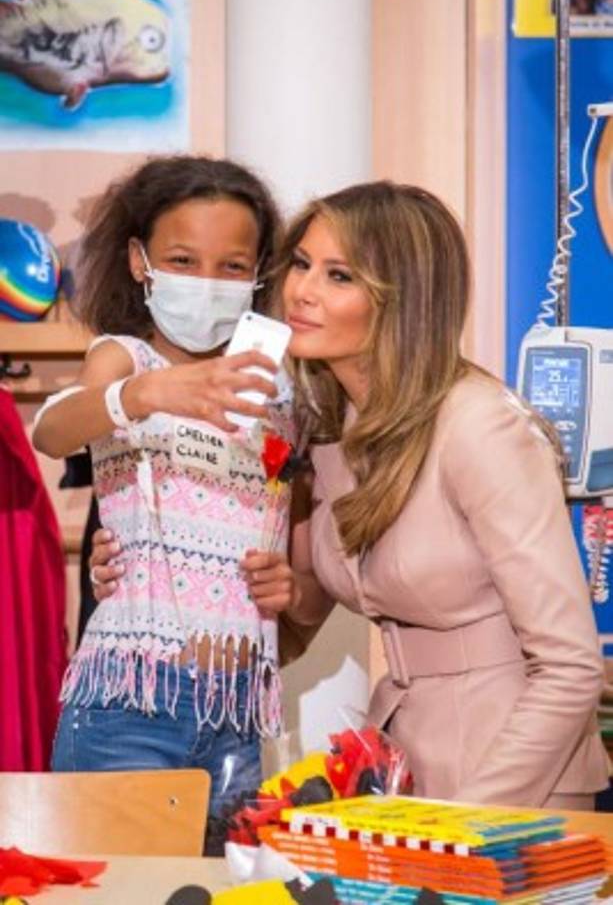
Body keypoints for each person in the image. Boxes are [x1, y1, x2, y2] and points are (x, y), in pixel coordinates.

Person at [91, 180, 611, 811]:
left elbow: (571, 668)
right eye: (301, 264)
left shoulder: (481, 426)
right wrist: (150, 572)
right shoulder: (331, 435)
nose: (301, 291)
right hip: (402, 765)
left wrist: (470, 818)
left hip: (517, 779)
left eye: (338, 276)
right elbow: (290, 621)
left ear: (404, 298)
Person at [32, 154, 297, 851]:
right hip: (129, 704)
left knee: (226, 894)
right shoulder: (125, 359)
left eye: (232, 266)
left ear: (259, 273)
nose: (207, 281)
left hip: (237, 713)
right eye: (183, 259)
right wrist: (146, 395)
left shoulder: (274, 388)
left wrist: (288, 581)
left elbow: (290, 520)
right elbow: (51, 429)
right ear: (139, 261)